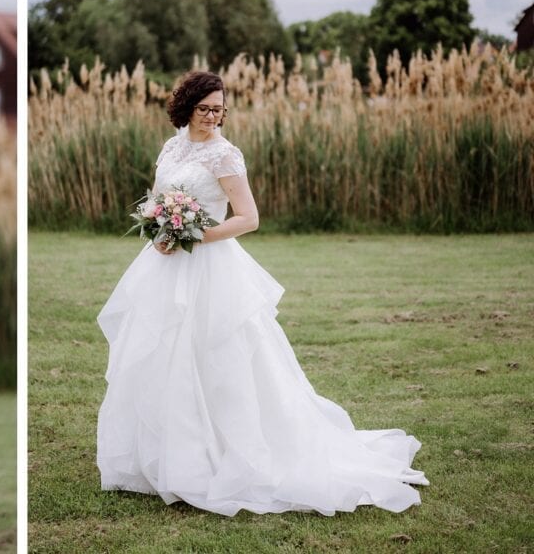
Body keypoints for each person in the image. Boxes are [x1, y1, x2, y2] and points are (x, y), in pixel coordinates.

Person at [96, 71, 428, 516]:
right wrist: (159, 229)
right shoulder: (172, 146)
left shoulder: (225, 155)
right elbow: (158, 199)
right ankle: (163, 456)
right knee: (163, 353)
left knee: (217, 357)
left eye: (220, 109)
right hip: (164, 263)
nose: (214, 117)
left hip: (209, 264)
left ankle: (220, 456)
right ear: (186, 107)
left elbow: (248, 218)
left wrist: (194, 234)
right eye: (205, 108)